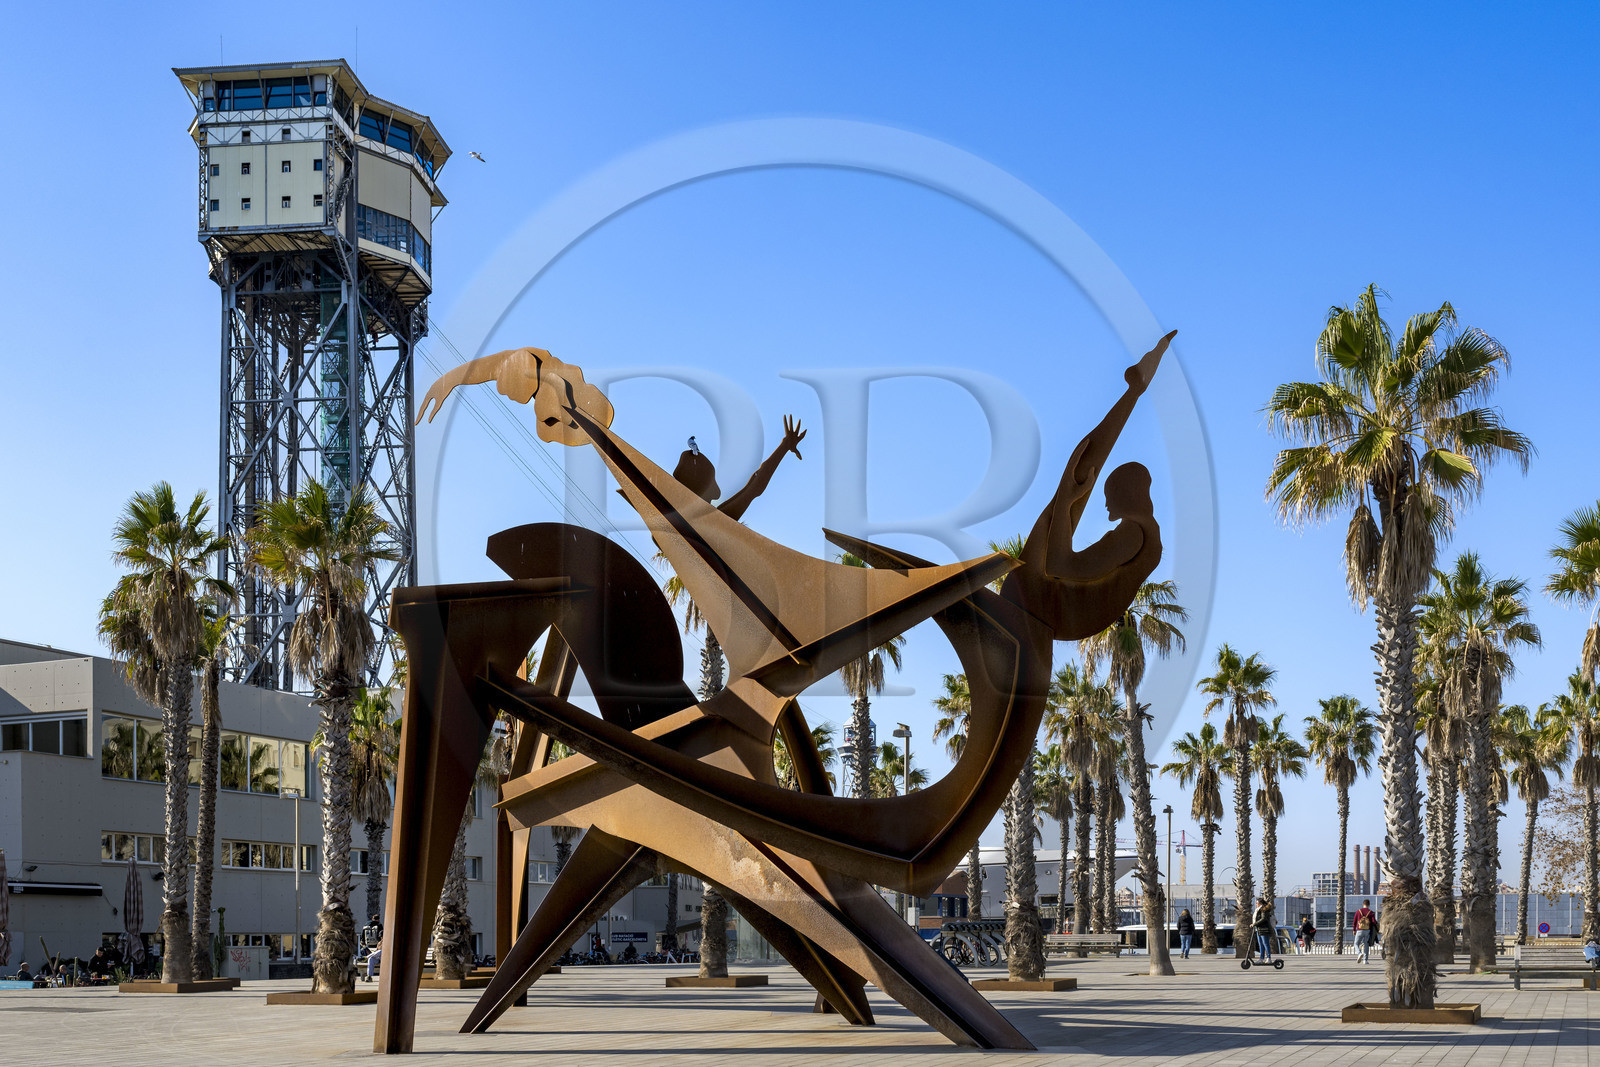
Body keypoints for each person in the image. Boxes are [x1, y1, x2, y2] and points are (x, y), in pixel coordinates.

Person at [1352, 899, 1377, 964]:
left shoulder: (1358, 911)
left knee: (1356, 943)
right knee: (1366, 945)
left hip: (1359, 930)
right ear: (1369, 905)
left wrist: (1354, 930)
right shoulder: (1371, 912)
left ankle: (1359, 953)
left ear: (1363, 904)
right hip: (1367, 931)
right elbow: (1374, 922)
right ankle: (1365, 960)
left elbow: (1354, 921)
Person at [1252, 897, 1276, 963]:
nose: (1256, 904)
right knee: (1261, 944)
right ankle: (1261, 958)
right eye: (1256, 903)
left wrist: (1254, 924)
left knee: (1266, 943)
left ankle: (1269, 958)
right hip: (1259, 929)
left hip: (1264, 929)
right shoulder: (1258, 910)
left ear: (1261, 903)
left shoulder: (1264, 910)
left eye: (1257, 903)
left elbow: (1263, 919)